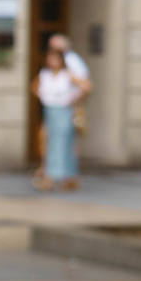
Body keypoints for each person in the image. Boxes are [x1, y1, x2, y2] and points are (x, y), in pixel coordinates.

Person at [32, 47, 91, 191]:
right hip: (50, 111)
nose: (52, 61)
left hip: (64, 112)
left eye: (55, 59)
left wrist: (74, 99)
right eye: (50, 58)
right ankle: (54, 176)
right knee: (49, 143)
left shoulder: (67, 75)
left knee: (63, 144)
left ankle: (61, 177)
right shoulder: (45, 74)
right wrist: (44, 97)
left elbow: (86, 86)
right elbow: (34, 87)